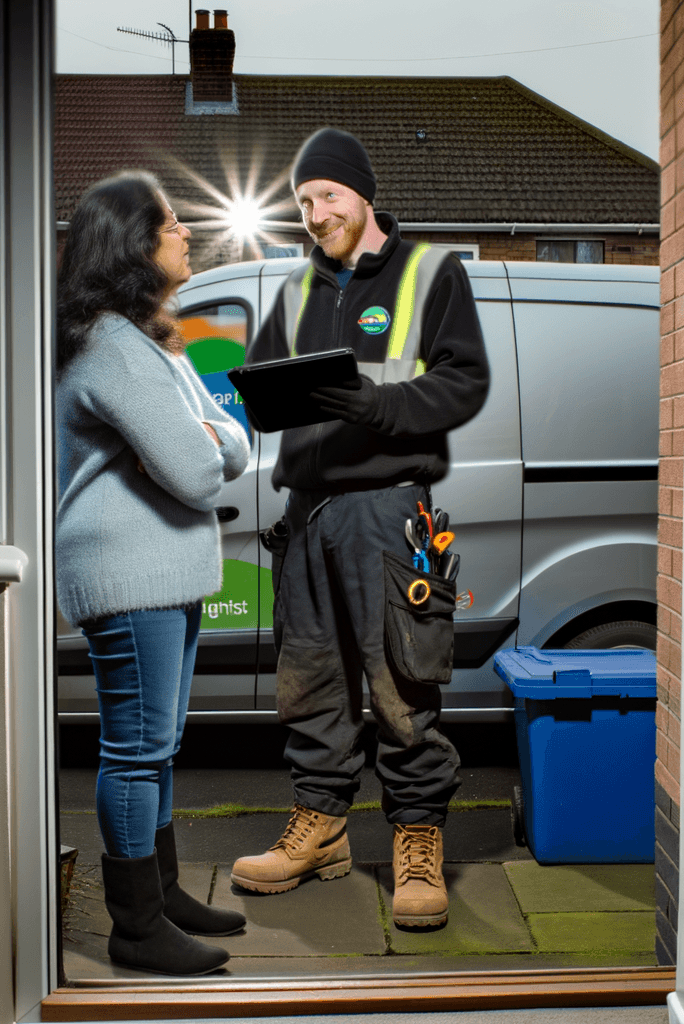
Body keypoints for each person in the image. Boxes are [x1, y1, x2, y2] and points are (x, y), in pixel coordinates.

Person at [232, 129, 490, 929]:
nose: (315, 213)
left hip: (387, 508)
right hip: (305, 512)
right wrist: (260, 399)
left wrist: (381, 405)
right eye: (303, 201)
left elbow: (464, 380)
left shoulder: (430, 273)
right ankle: (323, 829)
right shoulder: (296, 291)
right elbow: (262, 385)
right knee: (311, 683)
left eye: (328, 196)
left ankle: (416, 837)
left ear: (362, 194)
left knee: (402, 683)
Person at [55, 170, 251, 974]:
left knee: (157, 747)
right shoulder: (112, 348)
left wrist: (208, 437)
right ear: (132, 242)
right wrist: (208, 439)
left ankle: (162, 893)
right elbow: (205, 470)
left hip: (160, 573)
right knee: (136, 750)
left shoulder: (148, 341)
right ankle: (135, 927)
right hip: (130, 575)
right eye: (170, 222)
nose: (185, 232)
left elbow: (225, 441)